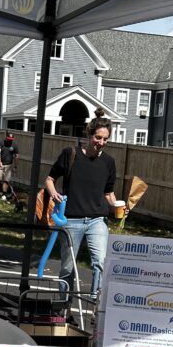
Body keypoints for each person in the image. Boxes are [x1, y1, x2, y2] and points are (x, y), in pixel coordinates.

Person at [43, 116, 117, 296]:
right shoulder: (71, 154)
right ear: (89, 135)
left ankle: (94, 303)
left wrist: (118, 206)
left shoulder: (109, 162)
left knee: (100, 261)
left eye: (105, 139)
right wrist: (54, 194)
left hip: (97, 220)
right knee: (68, 267)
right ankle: (63, 306)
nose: (101, 142)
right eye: (98, 138)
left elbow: (108, 193)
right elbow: (50, 179)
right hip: (71, 220)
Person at [0, 133, 19, 201]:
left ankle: (4, 194)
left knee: (6, 180)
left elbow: (17, 156)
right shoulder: (1, 143)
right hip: (0, 164)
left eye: (11, 140)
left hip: (9, 165)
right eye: (9, 139)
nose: (10, 141)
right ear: (6, 138)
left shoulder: (14, 145)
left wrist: (15, 166)